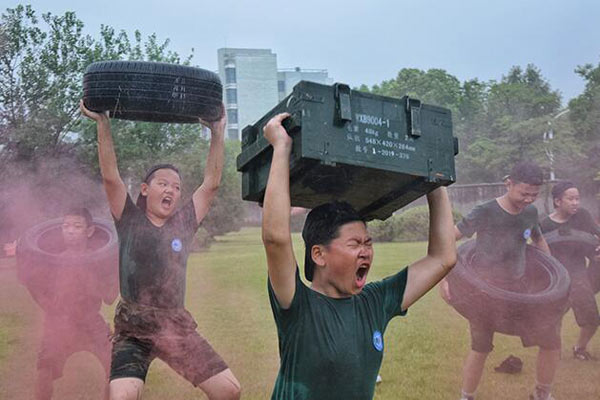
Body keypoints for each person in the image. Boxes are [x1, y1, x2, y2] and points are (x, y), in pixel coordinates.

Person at [261, 113, 457, 399]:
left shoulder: (375, 302)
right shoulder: (298, 305)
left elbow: (443, 258)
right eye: (355, 244)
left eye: (368, 242)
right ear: (319, 254)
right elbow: (275, 239)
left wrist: (435, 180)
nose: (366, 251)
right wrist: (281, 148)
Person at [80, 101, 240, 400]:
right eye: (163, 184)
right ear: (144, 189)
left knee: (229, 391)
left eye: (176, 187)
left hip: (175, 327)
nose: (171, 191)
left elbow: (211, 185)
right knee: (122, 396)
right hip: (133, 331)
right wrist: (103, 123)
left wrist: (218, 132)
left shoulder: (184, 223)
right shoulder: (128, 219)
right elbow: (111, 177)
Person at [440, 161, 559, 400]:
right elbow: (448, 238)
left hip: (521, 289)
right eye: (524, 193)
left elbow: (538, 241)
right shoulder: (485, 210)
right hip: (484, 291)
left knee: (551, 340)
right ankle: (467, 396)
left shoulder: (531, 212)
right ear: (509, 183)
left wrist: (556, 281)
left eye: (534, 195)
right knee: (480, 347)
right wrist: (445, 278)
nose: (528, 199)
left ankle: (541, 394)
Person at [17, 207, 118, 400]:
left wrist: (115, 272)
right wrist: (51, 309)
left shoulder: (99, 260)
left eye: (77, 226)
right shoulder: (53, 262)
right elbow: (35, 287)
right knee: (45, 370)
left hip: (91, 322)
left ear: (89, 231)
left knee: (116, 365)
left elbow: (109, 297)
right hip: (59, 324)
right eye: (66, 226)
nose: (70, 230)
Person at [540, 181, 600, 361]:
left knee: (591, 319)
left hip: (579, 275)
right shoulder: (545, 224)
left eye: (577, 199)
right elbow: (531, 243)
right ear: (558, 201)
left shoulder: (582, 216)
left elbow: (597, 234)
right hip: (555, 279)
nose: (575, 202)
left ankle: (579, 348)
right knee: (553, 318)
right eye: (571, 199)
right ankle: (553, 349)